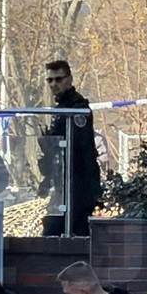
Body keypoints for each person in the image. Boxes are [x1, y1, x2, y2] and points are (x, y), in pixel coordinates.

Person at [39, 60, 100, 236]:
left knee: (65, 231)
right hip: (62, 182)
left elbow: (80, 148)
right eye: (50, 80)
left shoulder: (78, 108)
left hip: (77, 184)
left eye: (58, 79)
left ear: (69, 79)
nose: (53, 84)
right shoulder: (60, 108)